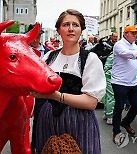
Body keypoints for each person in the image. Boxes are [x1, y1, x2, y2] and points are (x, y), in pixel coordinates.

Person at [30, 9, 106, 153]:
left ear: (81, 30)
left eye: (75, 25)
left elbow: (91, 103)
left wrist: (56, 96)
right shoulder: (49, 57)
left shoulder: (90, 59)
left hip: (79, 122)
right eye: (66, 25)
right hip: (48, 119)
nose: (71, 29)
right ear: (58, 30)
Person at [27, 24, 50, 153]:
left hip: (42, 91)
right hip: (26, 91)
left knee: (40, 118)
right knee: (23, 121)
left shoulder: (48, 52)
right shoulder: (24, 50)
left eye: (38, 36)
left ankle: (36, 144)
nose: (36, 39)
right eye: (33, 36)